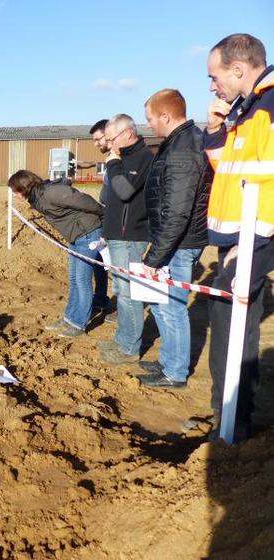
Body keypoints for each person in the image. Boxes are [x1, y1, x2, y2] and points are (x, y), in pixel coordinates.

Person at [203, 33, 274, 439]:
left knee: (232, 318)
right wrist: (215, 130)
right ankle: (227, 416)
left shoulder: (270, 105)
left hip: (256, 234)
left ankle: (233, 420)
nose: (213, 86)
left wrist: (253, 241)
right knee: (229, 315)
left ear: (238, 68)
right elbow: (227, 169)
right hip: (239, 236)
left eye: (214, 77)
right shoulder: (245, 111)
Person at [136, 89, 211, 389]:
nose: (149, 125)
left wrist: (155, 257)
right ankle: (168, 361)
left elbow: (178, 211)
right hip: (175, 242)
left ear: (165, 116)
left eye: (150, 119)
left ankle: (175, 372)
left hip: (179, 244)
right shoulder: (178, 142)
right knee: (163, 306)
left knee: (172, 308)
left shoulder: (182, 150)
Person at [8, 170, 105, 338]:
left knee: (82, 280)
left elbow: (84, 201)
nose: (15, 195)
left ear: (24, 187)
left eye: (15, 191)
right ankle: (69, 318)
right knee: (74, 279)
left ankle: (79, 323)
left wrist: (104, 215)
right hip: (76, 237)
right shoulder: (37, 198)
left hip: (88, 234)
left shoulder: (52, 193)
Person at [98, 114, 154, 364]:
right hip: (117, 235)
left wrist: (112, 163)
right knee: (121, 290)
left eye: (111, 139)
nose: (109, 145)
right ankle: (123, 340)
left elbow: (124, 191)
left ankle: (129, 348)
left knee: (128, 292)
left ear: (127, 133)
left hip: (130, 236)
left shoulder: (141, 158)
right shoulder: (124, 158)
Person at [88, 119, 112, 317]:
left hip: (118, 224)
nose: (96, 144)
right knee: (99, 262)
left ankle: (123, 308)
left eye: (98, 139)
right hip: (105, 219)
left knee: (121, 269)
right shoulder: (110, 160)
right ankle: (101, 298)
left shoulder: (118, 159)